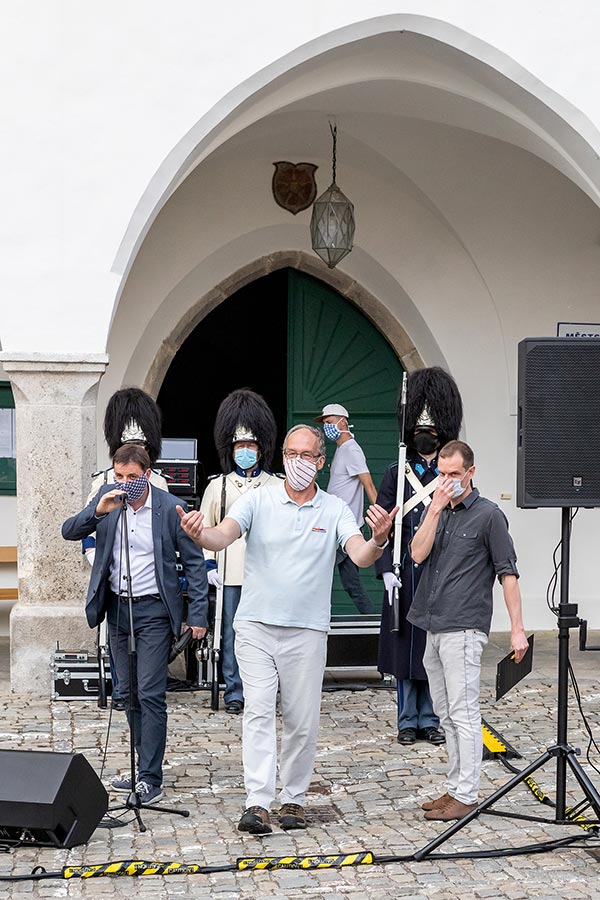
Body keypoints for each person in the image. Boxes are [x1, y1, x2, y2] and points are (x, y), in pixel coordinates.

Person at [177, 424, 398, 834]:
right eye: (291, 454)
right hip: (256, 627)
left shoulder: (333, 509)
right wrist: (198, 534)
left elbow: (360, 554)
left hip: (307, 632)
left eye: (307, 455)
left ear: (321, 461)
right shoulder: (259, 500)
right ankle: (258, 801)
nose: (299, 462)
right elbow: (222, 535)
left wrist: (380, 539)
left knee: (301, 717)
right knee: (258, 712)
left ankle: (293, 799)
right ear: (282, 458)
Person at [62, 443, 209, 806]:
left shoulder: (169, 507)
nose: (125, 483)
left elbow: (194, 563)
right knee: (125, 694)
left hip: (154, 612)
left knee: (150, 692)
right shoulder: (107, 499)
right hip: (117, 611)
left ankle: (150, 777)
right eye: (119, 476)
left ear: (146, 474)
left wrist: (198, 616)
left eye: (132, 477)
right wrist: (98, 511)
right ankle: (138, 763)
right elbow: (70, 531)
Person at [408, 439, 529, 822]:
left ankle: (467, 794)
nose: (447, 481)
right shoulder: (439, 511)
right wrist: (434, 510)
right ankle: (456, 785)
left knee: (463, 712)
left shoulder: (489, 516)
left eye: (454, 475)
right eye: (442, 475)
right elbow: (416, 553)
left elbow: (507, 573)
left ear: (471, 473)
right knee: (445, 712)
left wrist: (517, 630)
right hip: (433, 621)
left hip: (464, 626)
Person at [377, 367, 463, 747]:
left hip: (439, 571)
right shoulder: (397, 472)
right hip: (404, 571)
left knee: (434, 647)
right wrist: (384, 571)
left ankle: (431, 718)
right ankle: (406, 719)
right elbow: (382, 525)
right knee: (405, 646)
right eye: (419, 429)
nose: (425, 436)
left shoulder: (450, 476)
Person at [83, 386, 169, 709]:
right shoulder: (103, 481)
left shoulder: (157, 482)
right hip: (113, 576)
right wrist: (96, 560)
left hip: (148, 583)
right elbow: (88, 529)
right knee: (116, 643)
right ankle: (121, 689)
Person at [200, 388, 280, 714]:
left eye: (250, 445)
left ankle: (261, 690)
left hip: (265, 573)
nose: (245, 451)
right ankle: (234, 691)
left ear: (261, 449)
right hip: (230, 570)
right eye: (239, 446)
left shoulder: (276, 485)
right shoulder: (218, 484)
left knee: (265, 635)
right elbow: (205, 527)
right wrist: (208, 566)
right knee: (231, 635)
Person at [314, 403, 377, 615]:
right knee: (351, 582)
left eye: (330, 423)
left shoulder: (351, 449)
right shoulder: (343, 449)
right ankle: (371, 620)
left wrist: (381, 518)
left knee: (314, 573)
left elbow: (368, 484)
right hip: (338, 525)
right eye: (324, 425)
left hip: (342, 528)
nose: (327, 428)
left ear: (343, 421)